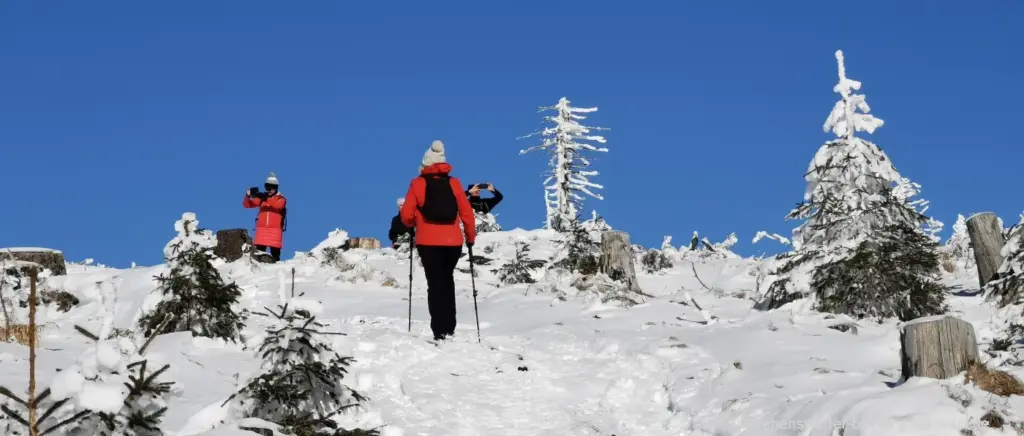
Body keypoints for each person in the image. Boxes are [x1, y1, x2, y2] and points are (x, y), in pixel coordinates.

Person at [399, 140, 476, 341]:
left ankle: (439, 330)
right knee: (447, 280)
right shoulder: (454, 183)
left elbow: (406, 214)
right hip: (453, 242)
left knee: (435, 283)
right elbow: (467, 212)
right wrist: (470, 237)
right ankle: (449, 328)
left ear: (425, 163)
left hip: (428, 241)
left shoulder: (417, 183)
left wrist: (411, 223)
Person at [243, 172, 287, 262]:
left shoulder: (281, 198)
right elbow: (247, 205)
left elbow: (278, 206)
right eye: (268, 187)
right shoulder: (261, 199)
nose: (270, 190)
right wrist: (248, 195)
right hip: (262, 230)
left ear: (276, 188)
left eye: (272, 187)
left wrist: (266, 199)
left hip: (275, 231)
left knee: (275, 256)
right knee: (259, 255)